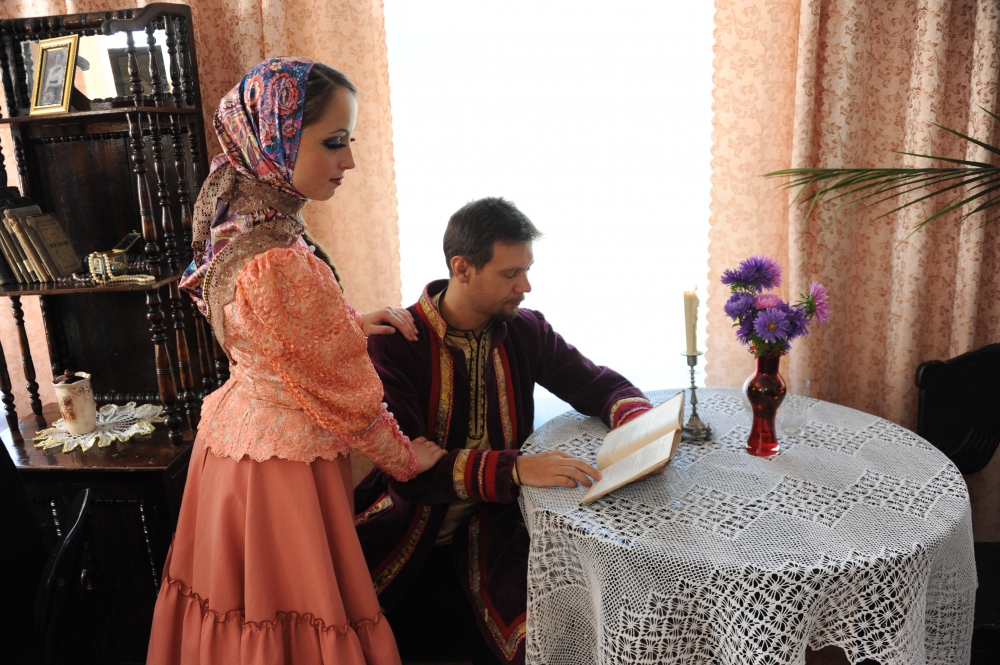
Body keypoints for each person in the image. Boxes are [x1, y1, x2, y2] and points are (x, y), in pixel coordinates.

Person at [146, 57, 446, 665]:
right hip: (281, 470)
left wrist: (344, 323)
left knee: (243, 614)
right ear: (276, 142)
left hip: (233, 449)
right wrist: (404, 458)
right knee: (292, 619)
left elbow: (265, 334)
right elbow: (347, 394)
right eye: (334, 142)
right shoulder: (279, 257)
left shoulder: (239, 219)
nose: (349, 160)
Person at [354, 197, 653, 665]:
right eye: (510, 273)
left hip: (495, 529)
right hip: (403, 531)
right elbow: (408, 472)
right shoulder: (395, 344)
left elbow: (597, 384)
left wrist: (642, 423)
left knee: (552, 636)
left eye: (527, 270)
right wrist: (516, 469)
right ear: (463, 268)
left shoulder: (525, 331)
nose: (525, 286)